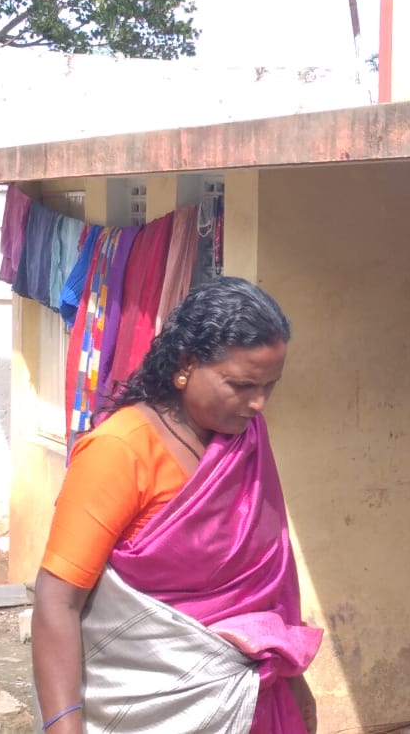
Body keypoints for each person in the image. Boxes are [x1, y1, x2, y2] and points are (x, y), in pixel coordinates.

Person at [31, 276, 322, 733]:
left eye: (270, 385)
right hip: (149, 704)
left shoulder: (246, 442)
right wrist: (63, 726)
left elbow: (269, 588)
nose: (259, 403)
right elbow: (59, 600)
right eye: (242, 384)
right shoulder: (120, 449)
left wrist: (294, 681)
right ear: (186, 364)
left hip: (257, 698)